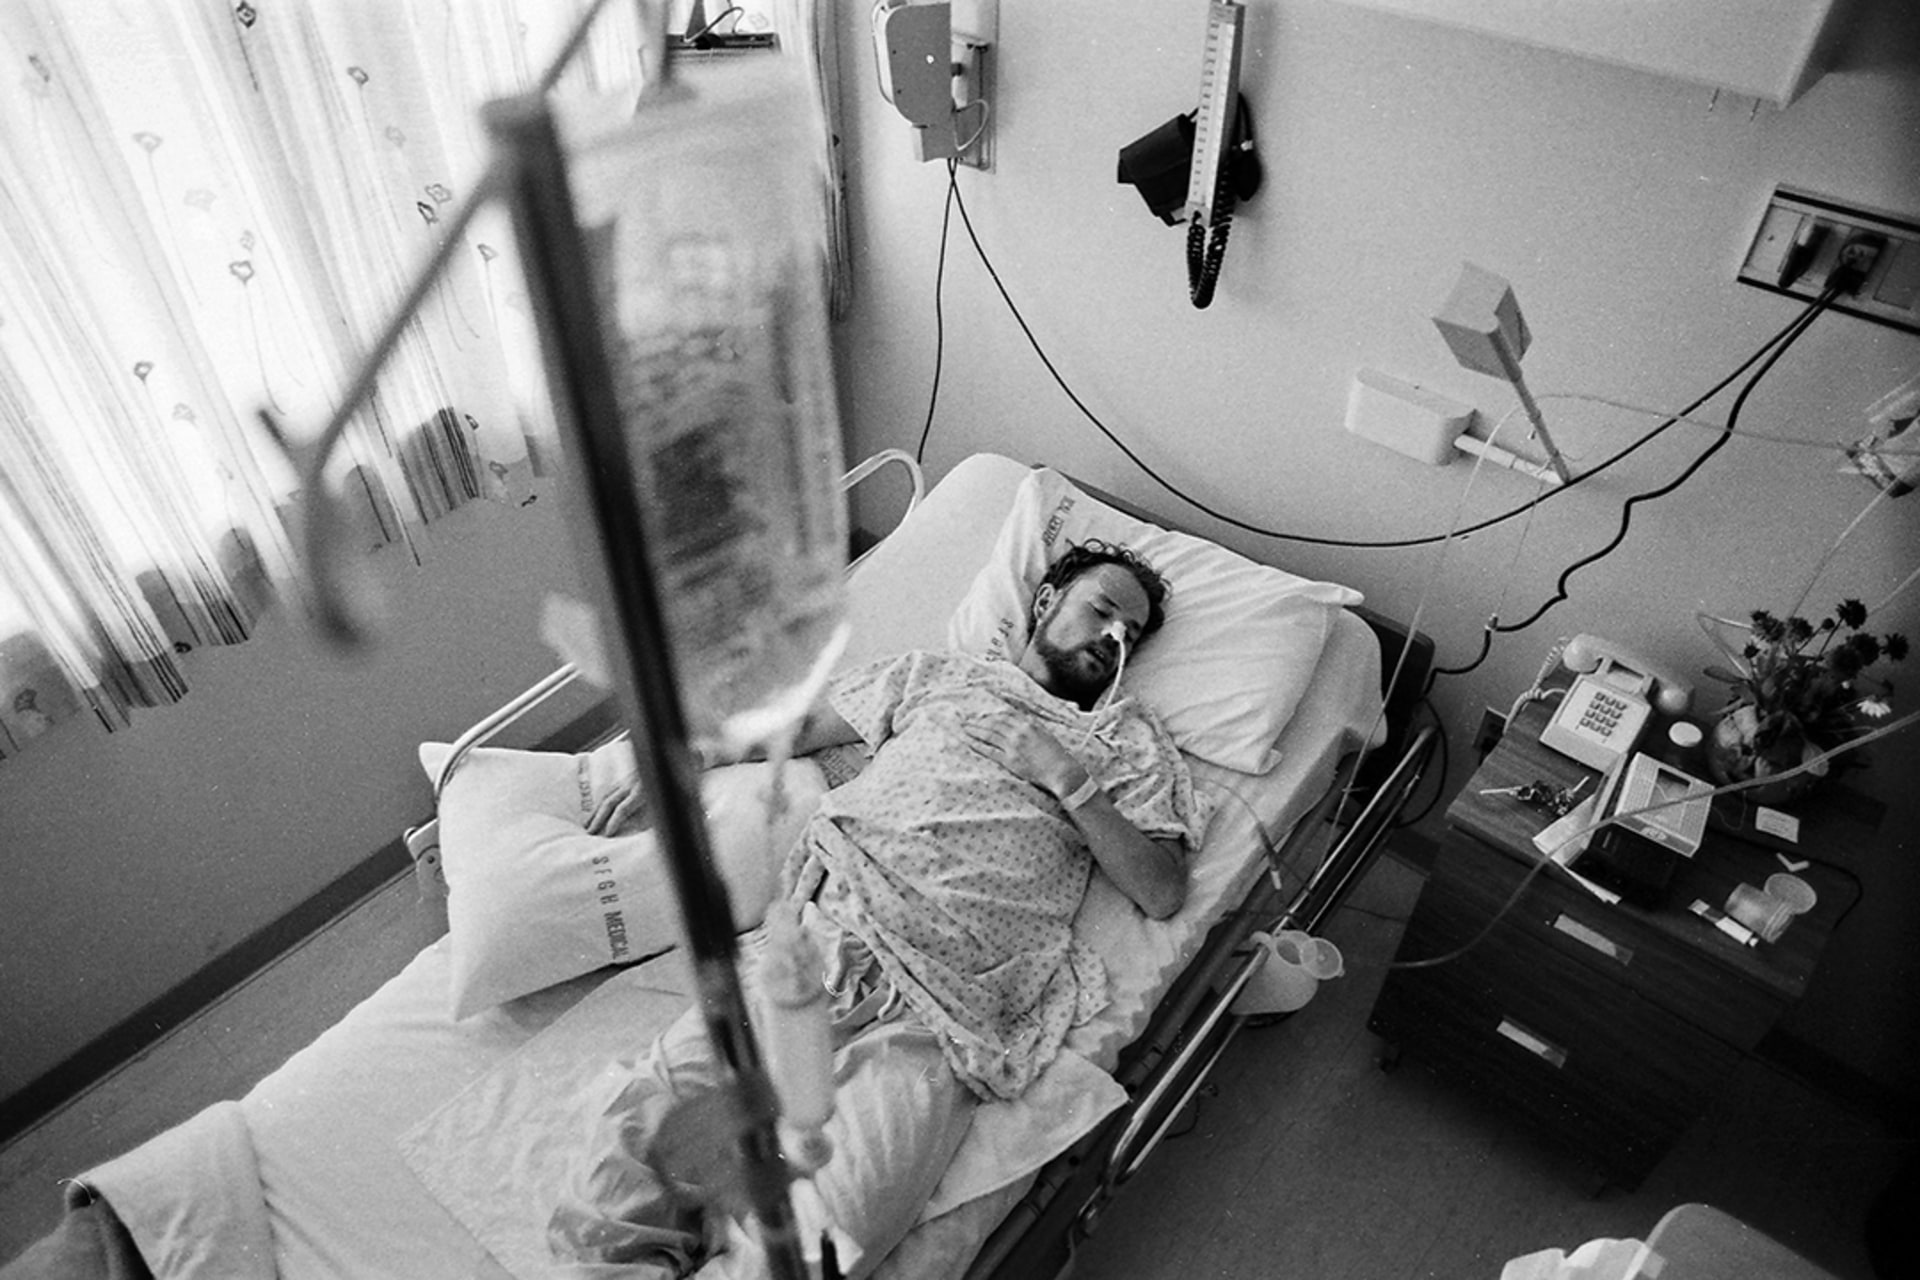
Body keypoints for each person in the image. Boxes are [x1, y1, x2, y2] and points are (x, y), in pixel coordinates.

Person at [550, 539, 1211, 1278]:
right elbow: (794, 732)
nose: (1114, 634)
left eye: (1132, 630)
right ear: (1048, 602)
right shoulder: (939, 676)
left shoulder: (1126, 742)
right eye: (1103, 609)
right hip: (825, 939)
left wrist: (1068, 779)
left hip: (943, 1015)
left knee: (821, 1244)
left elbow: (1161, 889)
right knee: (638, 1132)